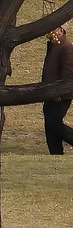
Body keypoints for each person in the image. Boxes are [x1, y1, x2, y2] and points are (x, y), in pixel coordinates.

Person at [42, 26, 73, 155]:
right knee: (50, 125)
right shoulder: (53, 46)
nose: (50, 31)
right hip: (50, 93)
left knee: (54, 124)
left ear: (61, 31)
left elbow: (67, 73)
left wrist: (58, 92)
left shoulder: (67, 48)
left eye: (54, 29)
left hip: (61, 96)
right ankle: (55, 154)